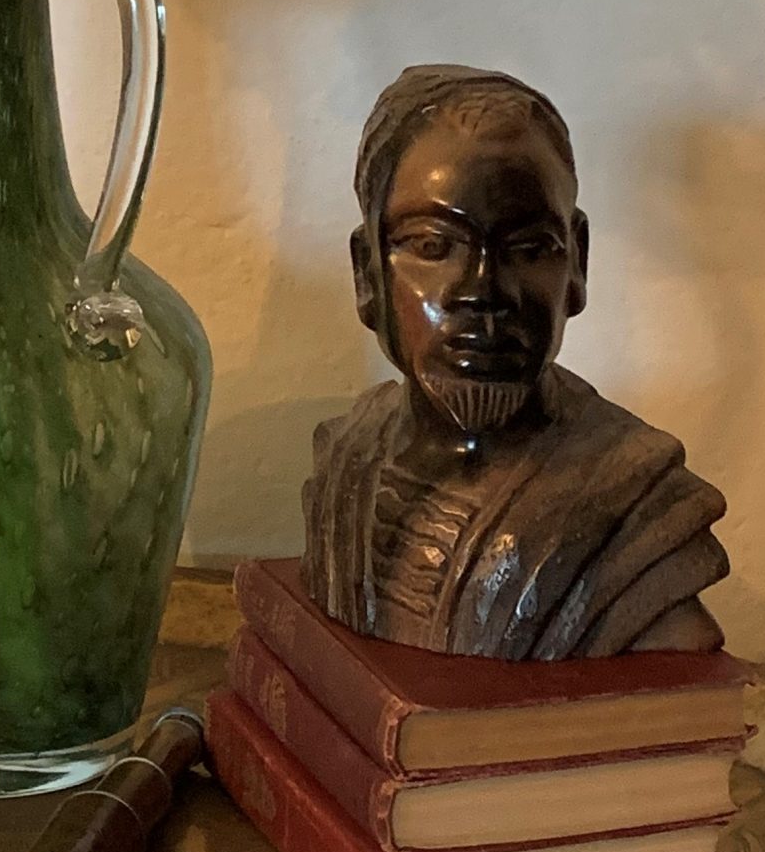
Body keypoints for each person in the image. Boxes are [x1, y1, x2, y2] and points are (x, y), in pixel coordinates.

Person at [302, 63, 728, 658]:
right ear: (365, 272)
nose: (484, 291)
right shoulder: (346, 461)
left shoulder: (635, 508)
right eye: (432, 246)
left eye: (530, 249)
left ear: (576, 264)